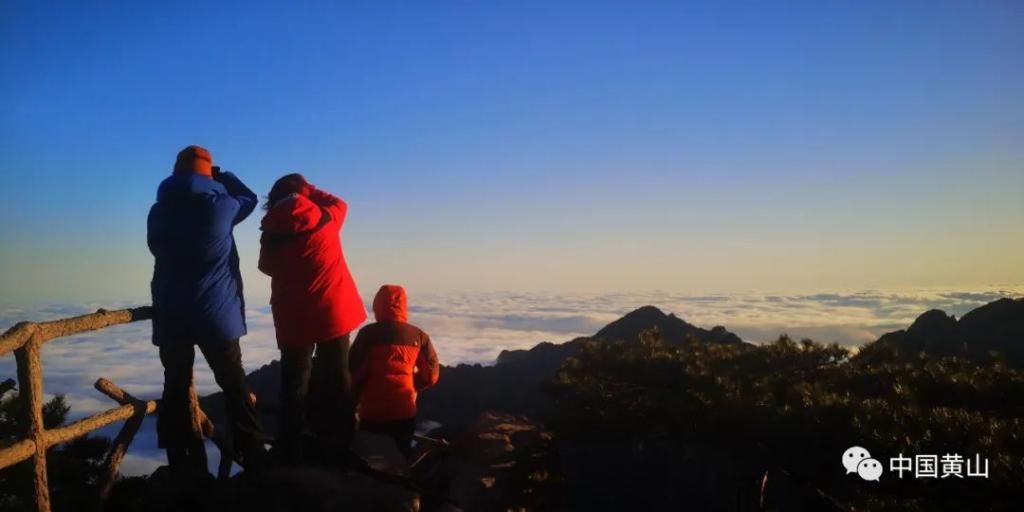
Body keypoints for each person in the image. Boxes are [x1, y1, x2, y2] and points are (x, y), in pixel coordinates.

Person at [148, 145, 268, 476]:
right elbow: (250, 197)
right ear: (208, 171)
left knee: (174, 384)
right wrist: (222, 176)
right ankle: (253, 452)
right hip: (216, 314)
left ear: (176, 171)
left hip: (171, 311)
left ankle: (180, 457)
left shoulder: (157, 211)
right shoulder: (223, 206)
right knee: (234, 384)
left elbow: (155, 247)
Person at [258, 174, 366, 463]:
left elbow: (265, 266)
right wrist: (309, 191)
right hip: (333, 309)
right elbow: (339, 202)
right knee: (338, 376)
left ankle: (290, 444)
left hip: (293, 314)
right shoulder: (326, 219)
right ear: (304, 194)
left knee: (294, 381)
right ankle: (341, 441)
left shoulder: (270, 231)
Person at [350, 285, 439, 457]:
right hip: (403, 409)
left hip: (371, 410)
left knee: (370, 458)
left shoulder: (366, 335)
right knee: (400, 457)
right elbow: (431, 376)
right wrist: (412, 386)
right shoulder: (419, 336)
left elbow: (353, 373)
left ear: (377, 306)